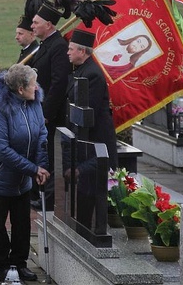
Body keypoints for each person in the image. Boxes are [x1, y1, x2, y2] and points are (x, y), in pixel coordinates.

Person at [0, 64, 50, 283]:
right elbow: (2, 150)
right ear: (20, 89)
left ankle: (19, 263)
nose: (36, 88)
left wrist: (41, 166)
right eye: (33, 84)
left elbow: (41, 133)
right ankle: (1, 265)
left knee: (22, 223)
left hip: (22, 178)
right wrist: (32, 169)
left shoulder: (33, 102)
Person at [66, 28, 118, 229]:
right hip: (84, 140)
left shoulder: (92, 74)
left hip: (96, 139)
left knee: (93, 189)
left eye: (71, 49)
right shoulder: (80, 70)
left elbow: (89, 111)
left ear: (82, 51)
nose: (68, 53)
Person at [29, 2, 72, 207]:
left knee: (52, 157)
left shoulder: (59, 46)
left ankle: (50, 198)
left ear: (48, 24)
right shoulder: (46, 44)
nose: (32, 26)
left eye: (36, 22)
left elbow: (58, 83)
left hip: (53, 114)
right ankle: (42, 194)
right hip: (41, 109)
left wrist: (46, 112)